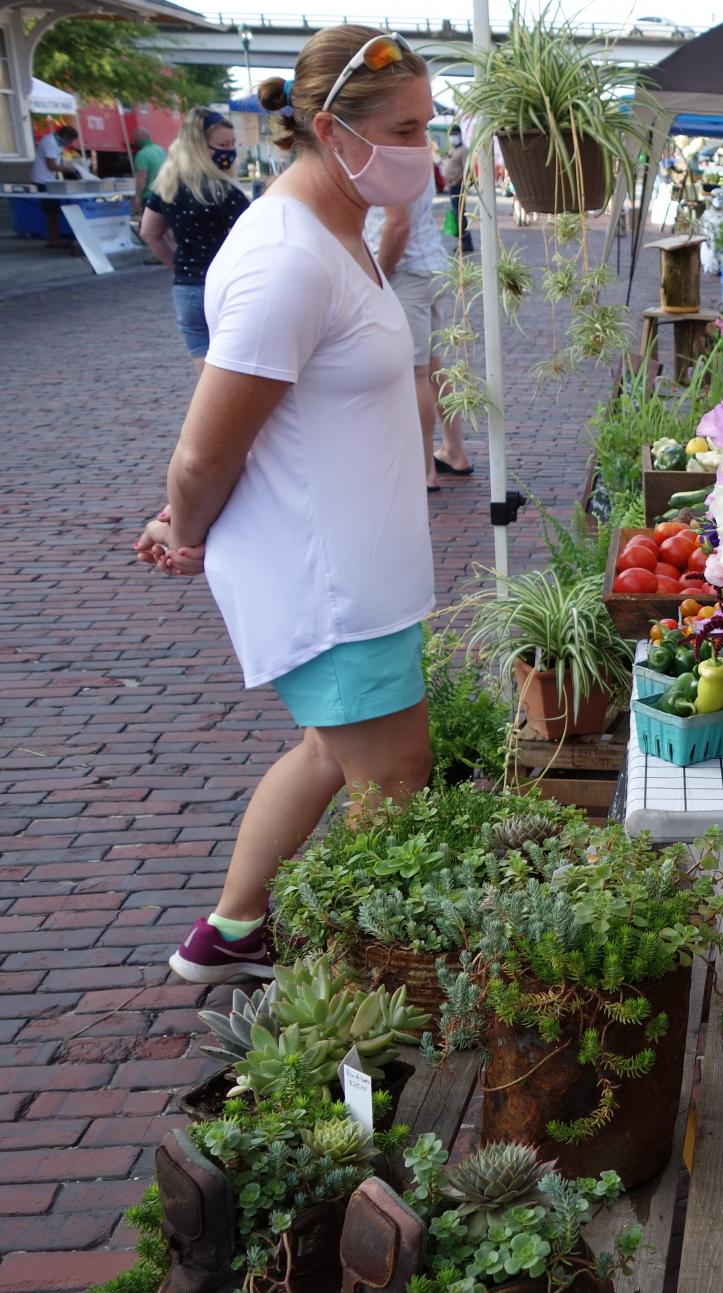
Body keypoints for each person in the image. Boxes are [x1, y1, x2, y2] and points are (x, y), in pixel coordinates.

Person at [134, 25, 438, 985]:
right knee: (391, 777)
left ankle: (231, 929)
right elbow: (202, 451)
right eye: (404, 127)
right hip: (331, 581)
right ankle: (353, 985)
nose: (423, 149)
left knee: (324, 752)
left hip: (358, 571)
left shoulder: (333, 231)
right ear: (326, 128)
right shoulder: (287, 258)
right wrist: (182, 531)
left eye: (427, 125)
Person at [366, 190, 473, 487]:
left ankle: (424, 469)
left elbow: (397, 225)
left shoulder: (389, 160)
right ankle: (454, 450)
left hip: (406, 271)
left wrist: (375, 278)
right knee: (434, 367)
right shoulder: (419, 151)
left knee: (418, 373)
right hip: (430, 265)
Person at [140, 110, 250, 361]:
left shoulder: (167, 184)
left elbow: (149, 232)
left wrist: (177, 265)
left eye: (232, 144)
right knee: (235, 371)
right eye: (223, 145)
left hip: (187, 287)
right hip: (226, 288)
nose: (230, 151)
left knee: (207, 374)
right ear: (200, 146)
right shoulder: (226, 193)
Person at [32, 124, 81, 248]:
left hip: (49, 180)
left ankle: (54, 238)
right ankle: (53, 239)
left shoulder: (56, 142)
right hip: (42, 180)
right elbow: (51, 165)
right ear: (65, 136)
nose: (70, 144)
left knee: (53, 211)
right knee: (52, 212)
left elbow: (56, 161)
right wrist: (68, 170)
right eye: (70, 141)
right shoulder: (50, 142)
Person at [441, 122, 472, 253]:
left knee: (460, 215)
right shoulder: (452, 149)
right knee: (456, 215)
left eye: (455, 134)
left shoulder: (464, 150)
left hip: (458, 187)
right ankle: (461, 242)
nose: (453, 137)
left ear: (460, 135)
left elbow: (467, 169)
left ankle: (466, 242)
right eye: (451, 134)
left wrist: (456, 182)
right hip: (451, 187)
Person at [129, 129, 168, 230]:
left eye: (135, 140)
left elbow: (142, 178)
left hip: (150, 196)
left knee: (149, 230)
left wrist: (137, 197)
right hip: (166, 193)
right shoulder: (161, 150)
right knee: (164, 228)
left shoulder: (142, 155)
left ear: (138, 140)